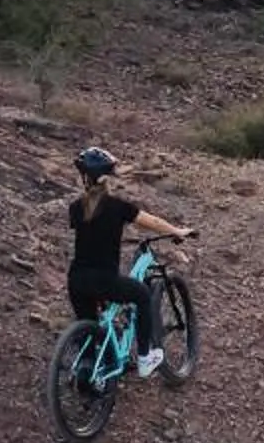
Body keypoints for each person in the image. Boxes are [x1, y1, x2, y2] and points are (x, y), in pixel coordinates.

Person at [66, 146, 192, 377]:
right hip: (104, 279)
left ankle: (88, 370)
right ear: (108, 179)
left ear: (84, 178)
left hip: (76, 281)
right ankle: (145, 358)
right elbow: (150, 221)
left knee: (89, 328)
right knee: (142, 296)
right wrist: (176, 231)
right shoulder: (117, 207)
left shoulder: (75, 209)